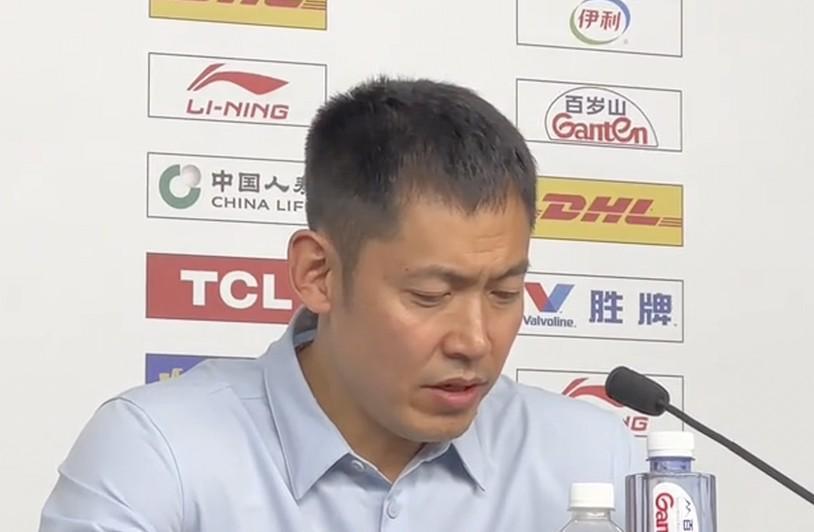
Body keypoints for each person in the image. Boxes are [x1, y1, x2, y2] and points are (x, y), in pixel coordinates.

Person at [40, 76, 640, 531]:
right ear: (318, 274)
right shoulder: (158, 453)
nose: (475, 340)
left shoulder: (594, 458)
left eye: (504, 293)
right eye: (430, 296)